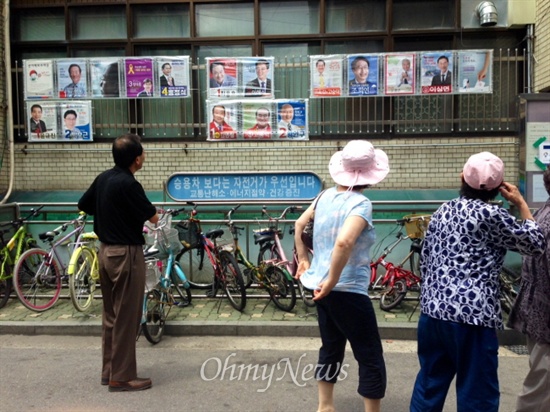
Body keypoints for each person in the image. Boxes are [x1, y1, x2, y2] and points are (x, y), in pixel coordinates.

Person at [410, 152, 546, 412]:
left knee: (429, 384)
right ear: (499, 187)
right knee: (477, 393)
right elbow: (535, 242)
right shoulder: (492, 215)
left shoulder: (443, 210)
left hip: (433, 312)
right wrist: (521, 204)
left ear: (462, 177)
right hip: (473, 317)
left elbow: (426, 258)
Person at [295, 140, 389, 412]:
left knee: (331, 346)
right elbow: (344, 243)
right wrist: (333, 280)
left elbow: (299, 224)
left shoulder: (323, 196)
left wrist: (304, 260)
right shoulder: (361, 203)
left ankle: (325, 407)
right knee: (369, 353)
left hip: (319, 288)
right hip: (347, 290)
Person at [78, 133, 158, 392]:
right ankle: (122, 377)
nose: (144, 156)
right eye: (143, 153)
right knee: (127, 317)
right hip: (126, 254)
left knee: (111, 315)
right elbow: (153, 217)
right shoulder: (129, 184)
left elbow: (84, 204)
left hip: (105, 253)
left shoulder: (103, 179)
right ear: (136, 159)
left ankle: (108, 371)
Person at [507, 165, 550, 412]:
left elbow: (532, 238)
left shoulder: (544, 210)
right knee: (541, 387)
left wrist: (521, 203)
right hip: (545, 317)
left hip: (535, 311)